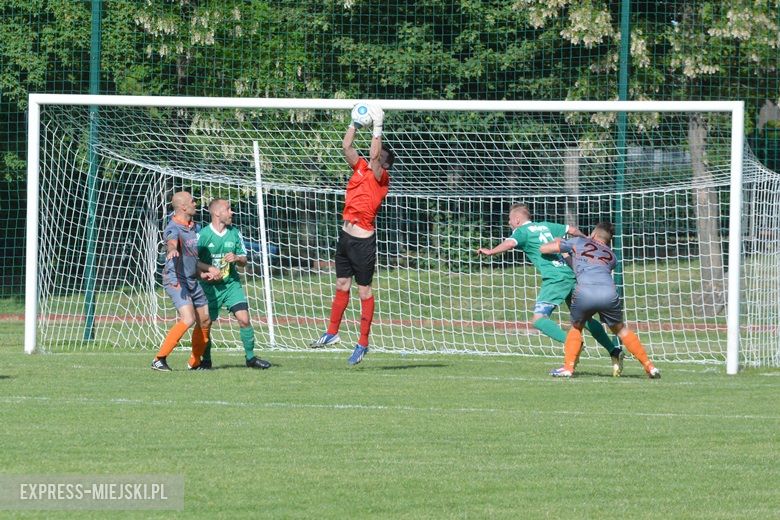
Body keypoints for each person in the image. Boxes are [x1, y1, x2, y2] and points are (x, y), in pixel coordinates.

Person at [477, 203, 625, 375]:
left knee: (539, 319)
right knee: (585, 319)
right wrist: (588, 243)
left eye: (510, 220)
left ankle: (573, 343)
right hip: (571, 273)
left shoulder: (521, 232)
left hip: (555, 279)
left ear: (517, 219)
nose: (509, 224)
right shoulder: (547, 225)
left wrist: (490, 251)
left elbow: (510, 244)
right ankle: (614, 351)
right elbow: (573, 230)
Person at [310, 104, 395, 365]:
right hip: (345, 237)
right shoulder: (359, 169)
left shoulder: (382, 177)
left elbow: (374, 156)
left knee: (364, 291)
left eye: (378, 157)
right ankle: (332, 332)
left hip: (363, 241)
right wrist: (354, 124)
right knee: (341, 285)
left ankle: (363, 343)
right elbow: (346, 147)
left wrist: (378, 128)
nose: (374, 159)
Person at [540, 222, 660, 378]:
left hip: (585, 291)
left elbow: (544, 249)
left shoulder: (578, 241)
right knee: (621, 329)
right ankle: (650, 367)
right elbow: (592, 267)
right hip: (609, 292)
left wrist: (559, 243)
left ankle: (568, 368)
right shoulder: (612, 256)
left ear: (594, 234)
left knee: (577, 327)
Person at [192, 198, 271, 370]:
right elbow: (192, 261)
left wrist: (236, 258)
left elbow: (244, 260)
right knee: (205, 325)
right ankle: (205, 361)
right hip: (209, 288)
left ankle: (250, 358)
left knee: (244, 319)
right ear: (217, 213)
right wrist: (205, 273)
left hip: (231, 285)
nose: (232, 212)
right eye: (228, 209)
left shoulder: (234, 233)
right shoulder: (203, 235)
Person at [152, 191, 219, 371]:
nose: (195, 203)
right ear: (183, 206)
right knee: (188, 318)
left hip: (190, 279)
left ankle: (195, 362)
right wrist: (171, 250)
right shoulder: (173, 227)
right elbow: (171, 242)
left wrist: (204, 271)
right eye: (192, 201)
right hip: (175, 278)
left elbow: (191, 259)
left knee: (205, 320)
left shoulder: (194, 228)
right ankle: (159, 359)